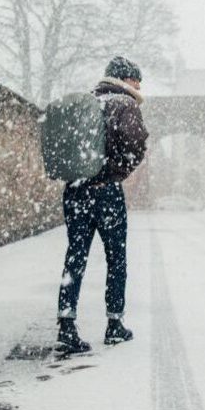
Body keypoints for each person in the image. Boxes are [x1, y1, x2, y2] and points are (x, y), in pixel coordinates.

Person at [56, 56, 149, 354]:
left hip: (75, 190)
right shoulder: (125, 105)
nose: (139, 86)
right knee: (116, 258)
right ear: (126, 80)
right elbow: (136, 145)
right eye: (137, 80)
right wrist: (114, 172)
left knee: (76, 256)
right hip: (105, 192)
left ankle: (67, 325)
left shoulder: (86, 102)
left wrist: (83, 176)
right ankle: (114, 324)